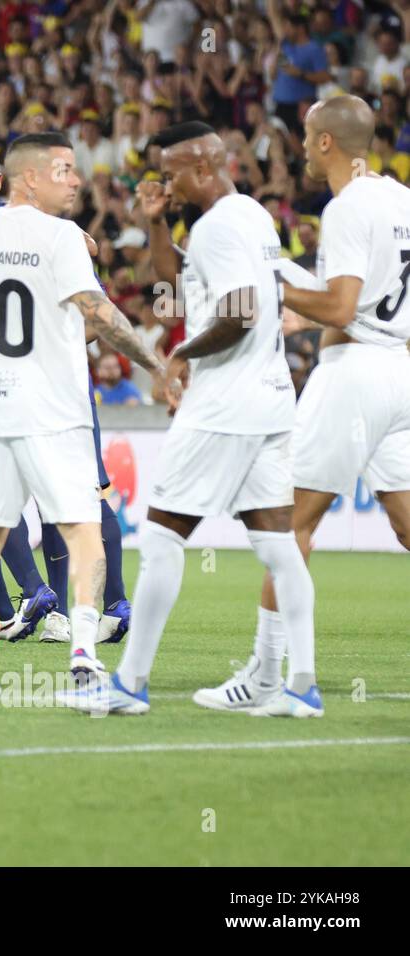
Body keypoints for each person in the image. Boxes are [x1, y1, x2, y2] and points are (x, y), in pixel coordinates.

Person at [70, 121, 315, 717]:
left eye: (172, 171)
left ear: (203, 166)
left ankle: (129, 684)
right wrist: (155, 222)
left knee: (159, 539)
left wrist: (180, 355)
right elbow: (176, 283)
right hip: (270, 398)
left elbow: (241, 312)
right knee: (278, 545)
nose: (165, 182)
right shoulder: (250, 216)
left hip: (224, 406)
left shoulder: (217, 227)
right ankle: (297, 685)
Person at [0, 132, 164, 686]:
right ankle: (83, 652)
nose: (76, 180)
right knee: (81, 529)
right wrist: (155, 364)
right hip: (53, 411)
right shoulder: (61, 238)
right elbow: (98, 313)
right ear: (29, 177)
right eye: (64, 170)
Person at [238, 96, 410, 716]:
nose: (303, 147)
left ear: (328, 143)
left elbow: (339, 308)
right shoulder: (399, 199)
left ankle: (273, 675)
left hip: (355, 372)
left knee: (290, 524)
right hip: (401, 370)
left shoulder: (346, 209)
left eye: (307, 137)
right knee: (406, 524)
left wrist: (273, 279)